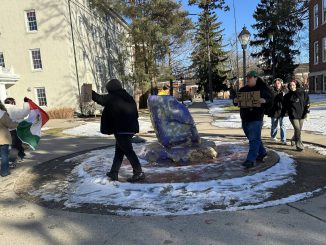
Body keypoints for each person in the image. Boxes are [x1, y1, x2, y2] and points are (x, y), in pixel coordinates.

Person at [92, 79, 145, 182]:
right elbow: (136, 114)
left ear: (112, 88)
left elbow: (100, 99)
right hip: (129, 128)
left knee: (128, 151)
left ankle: (139, 172)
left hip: (121, 129)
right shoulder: (128, 97)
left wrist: (90, 92)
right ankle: (114, 172)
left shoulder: (114, 96)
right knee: (119, 151)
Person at [234, 70, 273, 168]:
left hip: (256, 118)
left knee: (254, 139)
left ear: (256, 78)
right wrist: (234, 101)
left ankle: (250, 160)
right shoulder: (243, 89)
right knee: (253, 138)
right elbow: (236, 100)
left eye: (250, 77)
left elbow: (270, 99)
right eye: (247, 77)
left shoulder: (262, 89)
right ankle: (262, 152)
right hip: (245, 117)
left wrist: (264, 100)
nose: (248, 79)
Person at [281, 80, 310, 151]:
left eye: (293, 85)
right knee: (297, 129)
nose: (292, 86)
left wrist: (307, 111)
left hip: (302, 114)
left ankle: (293, 139)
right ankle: (299, 145)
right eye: (290, 85)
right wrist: (283, 114)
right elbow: (284, 106)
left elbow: (307, 102)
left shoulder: (303, 93)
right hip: (293, 115)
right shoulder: (287, 96)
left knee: (298, 130)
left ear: (296, 85)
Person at [4, 97, 30, 162]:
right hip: (12, 130)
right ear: (12, 102)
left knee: (16, 144)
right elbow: (24, 113)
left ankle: (21, 156)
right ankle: (12, 160)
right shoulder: (13, 108)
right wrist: (26, 103)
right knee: (15, 145)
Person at [0, 101, 18, 177]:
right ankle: (4, 172)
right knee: (4, 155)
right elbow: (10, 124)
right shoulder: (1, 114)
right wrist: (18, 123)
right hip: (2, 138)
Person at [268, 78, 288, 145]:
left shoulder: (285, 90)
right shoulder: (271, 91)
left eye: (278, 83)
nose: (277, 85)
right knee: (274, 125)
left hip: (283, 111)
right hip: (274, 111)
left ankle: (283, 139)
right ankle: (273, 136)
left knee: (283, 125)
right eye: (276, 83)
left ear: (281, 83)